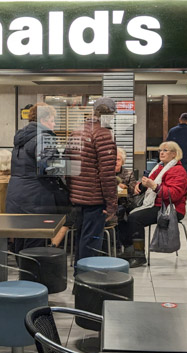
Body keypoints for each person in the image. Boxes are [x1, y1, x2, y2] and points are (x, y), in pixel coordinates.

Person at [6, 102, 70, 252]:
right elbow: (48, 167)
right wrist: (72, 164)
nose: (54, 124)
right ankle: (32, 275)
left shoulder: (21, 139)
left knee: (20, 239)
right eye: (53, 120)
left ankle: (23, 273)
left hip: (16, 196)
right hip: (35, 197)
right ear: (44, 120)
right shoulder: (44, 137)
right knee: (34, 242)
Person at [122, 141, 187, 268]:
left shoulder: (178, 171)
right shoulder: (159, 167)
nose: (161, 153)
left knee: (135, 218)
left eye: (165, 150)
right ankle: (129, 249)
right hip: (156, 204)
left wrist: (154, 186)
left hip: (170, 209)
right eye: (160, 150)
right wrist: (140, 186)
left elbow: (173, 195)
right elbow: (149, 185)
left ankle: (139, 255)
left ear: (174, 154)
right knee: (124, 210)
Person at [67, 97, 118, 260]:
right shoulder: (104, 134)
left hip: (77, 197)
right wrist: (112, 204)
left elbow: (67, 165)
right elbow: (107, 173)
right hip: (94, 199)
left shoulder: (77, 131)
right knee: (90, 244)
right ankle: (86, 280)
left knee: (81, 240)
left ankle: (79, 277)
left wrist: (72, 191)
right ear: (110, 115)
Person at [166, 112, 187, 213]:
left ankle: (173, 203)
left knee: (173, 182)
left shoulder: (172, 131)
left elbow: (168, 145)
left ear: (179, 120)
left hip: (175, 162)